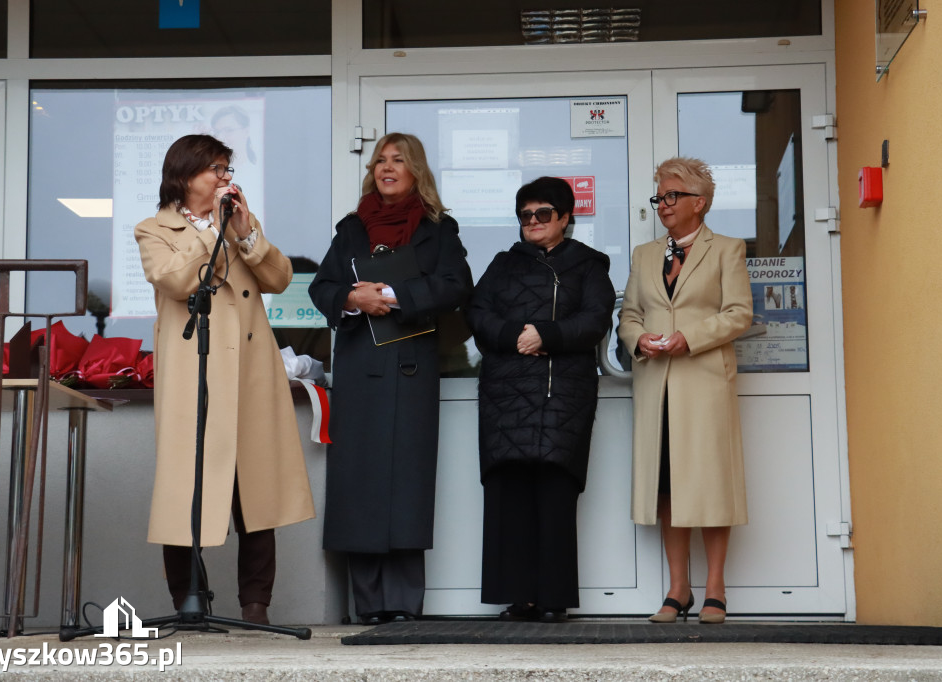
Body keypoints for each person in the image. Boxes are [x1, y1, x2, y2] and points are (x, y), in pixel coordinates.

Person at [134, 134, 314, 625]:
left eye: (227, 169)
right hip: (195, 374)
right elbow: (176, 281)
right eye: (216, 168)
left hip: (252, 373)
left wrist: (244, 233)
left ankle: (256, 607)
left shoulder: (238, 226)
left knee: (256, 492)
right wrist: (214, 234)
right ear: (185, 174)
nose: (225, 178)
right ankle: (188, 602)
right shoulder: (154, 229)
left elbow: (278, 278)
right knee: (184, 489)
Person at [309, 132, 473, 625]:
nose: (387, 167)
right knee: (361, 484)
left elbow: (456, 285)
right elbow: (323, 286)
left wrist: (396, 295)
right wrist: (353, 300)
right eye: (381, 160)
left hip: (413, 370)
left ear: (415, 170)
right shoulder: (352, 228)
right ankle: (369, 605)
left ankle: (403, 604)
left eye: (398, 160)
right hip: (361, 372)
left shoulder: (439, 229)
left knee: (406, 485)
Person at [467, 176, 615, 623]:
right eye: (525, 215)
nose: (533, 221)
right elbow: (477, 314)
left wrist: (547, 335)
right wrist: (521, 337)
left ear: (565, 217)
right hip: (506, 393)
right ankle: (518, 599)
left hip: (563, 392)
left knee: (554, 495)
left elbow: (595, 318)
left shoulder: (590, 264)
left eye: (543, 213)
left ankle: (552, 599)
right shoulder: (501, 264)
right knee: (509, 494)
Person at [617, 157, 752, 624]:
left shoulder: (729, 249)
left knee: (710, 484)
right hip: (657, 386)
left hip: (705, 384)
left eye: (672, 196)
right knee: (668, 489)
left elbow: (739, 314)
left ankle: (715, 588)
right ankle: (679, 589)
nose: (663, 205)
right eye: (659, 197)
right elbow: (629, 314)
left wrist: (688, 337)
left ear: (701, 202)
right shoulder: (644, 254)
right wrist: (639, 338)